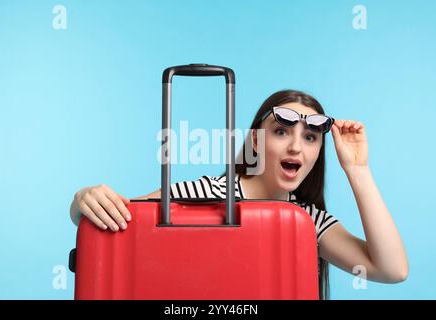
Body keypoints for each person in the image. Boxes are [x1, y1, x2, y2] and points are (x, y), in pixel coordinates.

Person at [69, 89, 408, 299]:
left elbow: (391, 270)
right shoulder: (208, 192)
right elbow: (118, 219)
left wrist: (358, 170)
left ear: (319, 150)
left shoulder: (308, 221)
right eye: (281, 131)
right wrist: (81, 201)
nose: (295, 146)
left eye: (310, 138)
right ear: (257, 140)